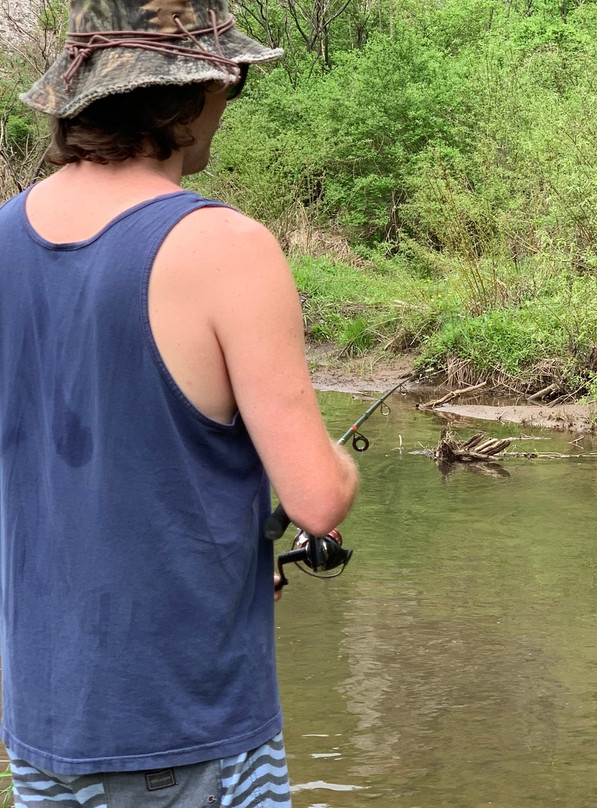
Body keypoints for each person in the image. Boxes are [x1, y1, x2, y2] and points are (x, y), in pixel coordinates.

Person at [0, 0, 358, 804]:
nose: (230, 97)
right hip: (183, 722)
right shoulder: (226, 248)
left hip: (43, 716)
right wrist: (331, 467)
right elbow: (316, 498)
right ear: (190, 92)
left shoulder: (4, 237)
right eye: (230, 78)